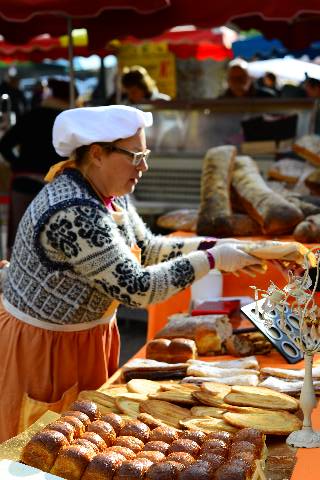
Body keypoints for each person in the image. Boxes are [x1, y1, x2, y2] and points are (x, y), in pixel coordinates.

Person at [0, 105, 262, 442]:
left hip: (85, 337)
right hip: (45, 349)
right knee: (43, 449)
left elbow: (148, 248)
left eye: (145, 154)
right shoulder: (73, 212)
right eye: (135, 156)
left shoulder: (110, 195)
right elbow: (137, 288)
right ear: (96, 155)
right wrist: (212, 260)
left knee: (88, 443)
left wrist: (214, 245)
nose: (144, 166)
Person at [0, 78, 78, 256]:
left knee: (19, 234)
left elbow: (4, 145)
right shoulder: (68, 121)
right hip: (56, 185)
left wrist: (17, 165)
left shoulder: (31, 115)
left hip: (24, 180)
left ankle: (13, 273)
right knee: (52, 239)